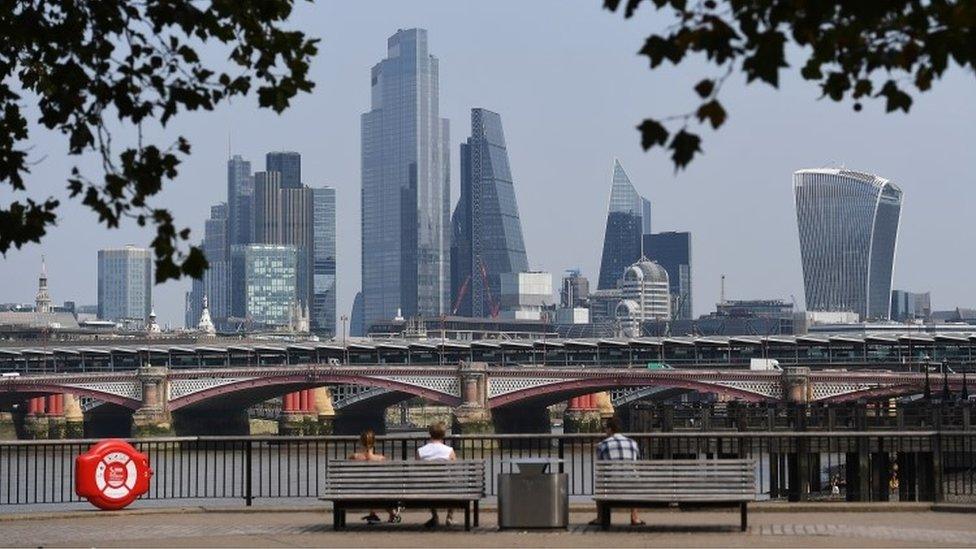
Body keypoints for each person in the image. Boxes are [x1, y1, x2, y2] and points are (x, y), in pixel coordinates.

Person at [591, 416, 644, 526]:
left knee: (600, 484)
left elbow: (601, 468)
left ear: (610, 429)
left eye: (606, 429)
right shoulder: (632, 443)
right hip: (632, 487)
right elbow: (636, 463)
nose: (605, 431)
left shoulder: (602, 445)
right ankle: (635, 517)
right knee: (634, 479)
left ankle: (600, 518)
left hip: (612, 487)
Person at [348, 429, 400, 525]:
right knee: (377, 489)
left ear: (360, 442)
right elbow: (388, 476)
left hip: (358, 489)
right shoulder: (381, 459)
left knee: (369, 488)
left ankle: (373, 514)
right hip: (377, 489)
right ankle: (392, 514)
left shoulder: (354, 457)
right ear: (374, 442)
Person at [416, 421, 456, 528]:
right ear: (443, 435)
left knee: (428, 483)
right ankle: (449, 516)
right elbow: (454, 469)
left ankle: (435, 516)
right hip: (446, 486)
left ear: (430, 434)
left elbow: (418, 469)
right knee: (454, 485)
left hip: (428, 487)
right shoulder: (449, 451)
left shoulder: (421, 451)